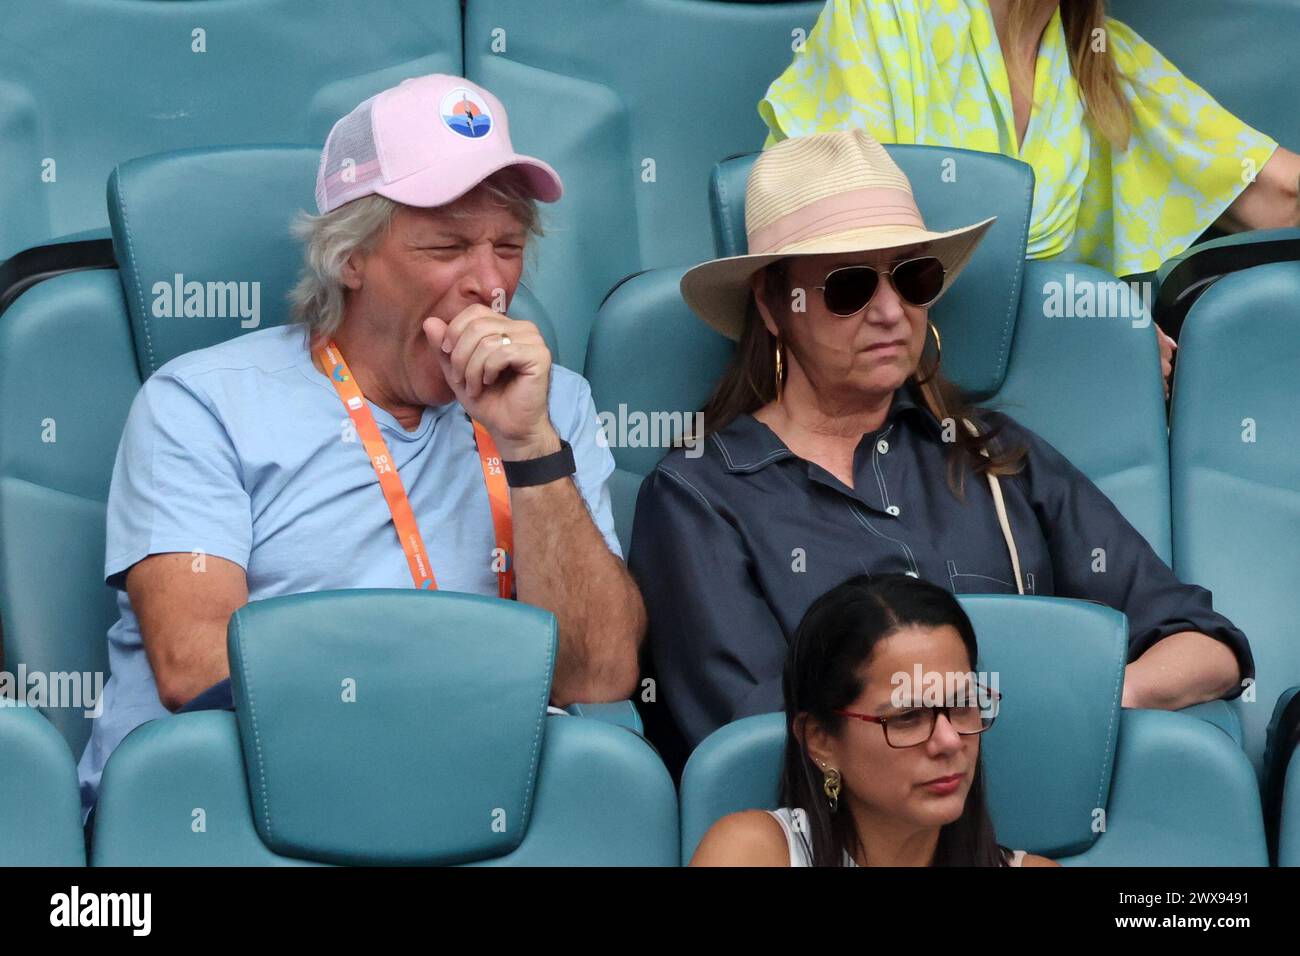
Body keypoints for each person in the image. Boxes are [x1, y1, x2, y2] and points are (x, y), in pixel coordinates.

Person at [77, 75, 645, 815]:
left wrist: (530, 444)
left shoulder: (554, 404)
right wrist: (470, 691)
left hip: (477, 808)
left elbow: (599, 672)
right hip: (249, 809)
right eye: (447, 246)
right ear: (350, 256)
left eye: (508, 248)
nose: (489, 284)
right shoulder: (202, 402)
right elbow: (196, 664)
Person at [628, 128, 1252, 763]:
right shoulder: (699, 495)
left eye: (912, 277)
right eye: (850, 287)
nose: (891, 311)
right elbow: (755, 744)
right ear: (772, 304)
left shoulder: (995, 455)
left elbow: (1207, 644)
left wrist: (1096, 700)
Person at [759, 0, 1300, 391]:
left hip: (1038, 400)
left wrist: (1094, 327)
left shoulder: (1098, 56)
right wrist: (1086, 319)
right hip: (868, 389)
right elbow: (840, 251)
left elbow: (1281, 192)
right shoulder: (884, 16)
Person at [691, 574, 1057, 866]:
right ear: (821, 740)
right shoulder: (752, 853)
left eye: (962, 705)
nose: (948, 741)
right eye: (908, 717)